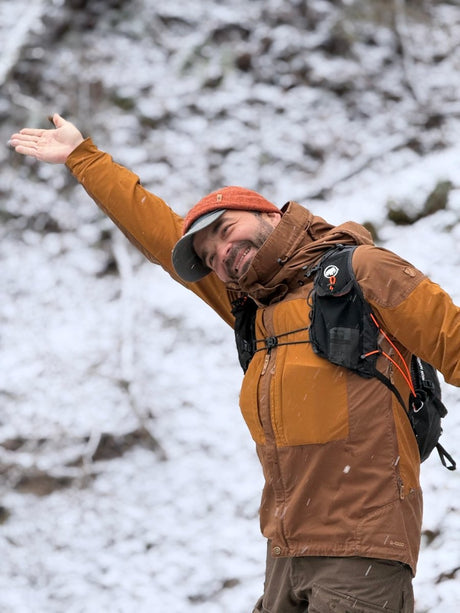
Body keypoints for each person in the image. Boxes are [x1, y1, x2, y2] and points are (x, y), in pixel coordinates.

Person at [9, 114, 460, 613]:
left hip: (363, 550)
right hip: (285, 554)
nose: (224, 253)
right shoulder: (253, 308)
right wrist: (84, 158)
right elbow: (161, 237)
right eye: (210, 254)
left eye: (227, 230)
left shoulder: (363, 273)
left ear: (267, 212)